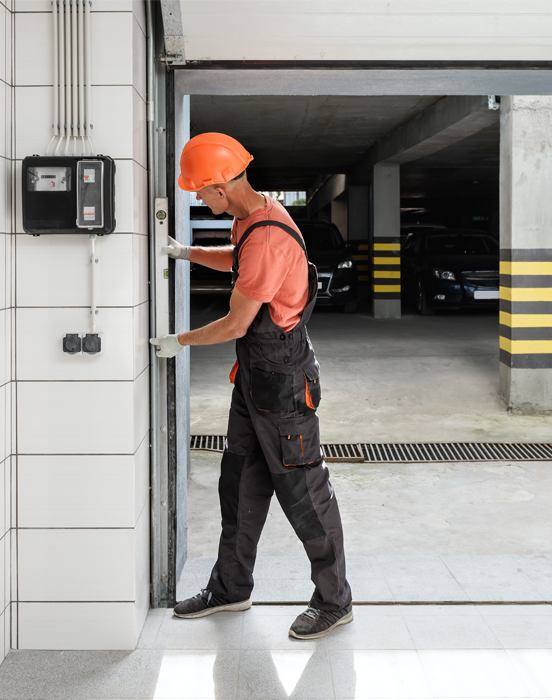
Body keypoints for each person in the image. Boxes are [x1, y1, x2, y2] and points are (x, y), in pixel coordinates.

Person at [150, 132, 352, 640]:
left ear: (221, 185)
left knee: (304, 491)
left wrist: (179, 339)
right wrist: (184, 252)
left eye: (201, 191)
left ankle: (334, 600)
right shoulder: (252, 216)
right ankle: (230, 588)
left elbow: (237, 323)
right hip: (255, 382)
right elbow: (238, 262)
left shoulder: (264, 235)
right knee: (239, 484)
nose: (198, 199)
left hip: (283, 383)